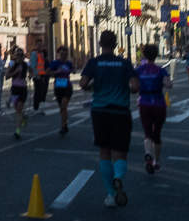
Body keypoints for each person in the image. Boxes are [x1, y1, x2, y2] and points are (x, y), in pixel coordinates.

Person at [80, 30, 140, 208]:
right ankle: (118, 177)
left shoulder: (94, 62)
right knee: (120, 152)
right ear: (115, 45)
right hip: (121, 111)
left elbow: (83, 84)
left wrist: (94, 85)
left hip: (100, 111)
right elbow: (136, 87)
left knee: (104, 152)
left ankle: (110, 195)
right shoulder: (124, 63)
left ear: (100, 44)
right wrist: (123, 88)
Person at [136, 44, 171, 174]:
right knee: (157, 134)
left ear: (144, 55)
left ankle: (147, 154)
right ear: (156, 56)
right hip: (158, 104)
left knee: (147, 134)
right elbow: (169, 84)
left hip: (144, 103)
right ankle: (156, 161)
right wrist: (162, 82)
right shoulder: (161, 70)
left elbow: (133, 86)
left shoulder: (139, 70)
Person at [48, 46, 75, 135]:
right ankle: (65, 124)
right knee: (62, 109)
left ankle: (63, 127)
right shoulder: (55, 63)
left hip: (67, 87)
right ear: (59, 54)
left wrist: (73, 64)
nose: (63, 56)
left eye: (65, 54)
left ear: (67, 55)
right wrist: (56, 72)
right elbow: (47, 72)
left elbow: (74, 71)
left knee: (63, 106)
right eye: (61, 54)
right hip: (58, 87)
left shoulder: (68, 63)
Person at [7, 47, 30, 138]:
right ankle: (24, 117)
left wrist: (31, 75)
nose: (19, 57)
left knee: (19, 109)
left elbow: (31, 72)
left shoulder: (26, 64)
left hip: (23, 89)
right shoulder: (12, 64)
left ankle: (17, 131)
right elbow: (7, 76)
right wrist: (15, 72)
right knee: (18, 110)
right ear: (15, 56)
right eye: (18, 55)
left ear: (24, 56)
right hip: (15, 89)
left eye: (21, 55)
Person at [29, 38, 49, 115]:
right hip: (37, 76)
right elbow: (33, 65)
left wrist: (43, 75)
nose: (40, 46)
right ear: (36, 45)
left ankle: (36, 107)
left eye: (41, 44)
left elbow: (42, 65)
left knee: (40, 91)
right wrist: (36, 75)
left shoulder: (42, 53)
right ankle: (35, 108)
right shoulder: (34, 53)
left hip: (42, 74)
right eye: (38, 44)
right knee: (37, 92)